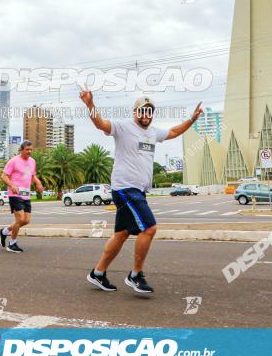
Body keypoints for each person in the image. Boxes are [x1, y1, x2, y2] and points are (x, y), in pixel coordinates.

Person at [80, 91, 202, 294]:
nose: (146, 114)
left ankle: (98, 273)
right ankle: (135, 275)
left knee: (121, 234)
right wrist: (90, 104)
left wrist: (191, 119)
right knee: (149, 228)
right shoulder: (123, 127)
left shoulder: (153, 132)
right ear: (135, 112)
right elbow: (100, 124)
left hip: (138, 191)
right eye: (142, 111)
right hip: (126, 189)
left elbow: (173, 132)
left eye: (150, 111)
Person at [0, 140, 43, 253]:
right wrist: (12, 185)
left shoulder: (32, 161)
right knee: (20, 219)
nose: (29, 151)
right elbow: (3, 176)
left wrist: (38, 183)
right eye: (27, 149)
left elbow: (32, 175)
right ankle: (12, 244)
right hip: (15, 194)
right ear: (21, 150)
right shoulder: (13, 161)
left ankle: (4, 232)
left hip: (26, 194)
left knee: (26, 221)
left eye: (31, 149)